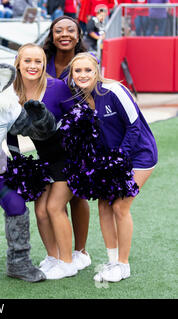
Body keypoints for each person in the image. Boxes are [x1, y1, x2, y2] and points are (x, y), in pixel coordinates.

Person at [67, 53, 158, 282]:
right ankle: (112, 261)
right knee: (104, 206)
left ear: (97, 70)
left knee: (119, 206)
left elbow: (134, 127)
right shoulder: (78, 99)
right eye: (78, 71)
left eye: (88, 70)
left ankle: (123, 265)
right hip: (108, 160)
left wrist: (119, 159)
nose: (83, 75)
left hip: (139, 154)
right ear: (72, 74)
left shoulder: (114, 90)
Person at [11, 43, 87, 279]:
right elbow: (9, 131)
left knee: (54, 207)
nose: (33, 66)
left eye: (38, 62)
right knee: (41, 210)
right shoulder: (12, 92)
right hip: (45, 159)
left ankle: (68, 262)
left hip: (70, 157)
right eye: (28, 61)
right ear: (18, 64)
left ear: (44, 64)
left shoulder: (57, 88)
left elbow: (82, 119)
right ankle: (53, 257)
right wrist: (19, 162)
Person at [40, 15, 92, 269]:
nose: (64, 34)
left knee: (76, 195)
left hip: (77, 140)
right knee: (53, 200)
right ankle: (56, 254)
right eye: (58, 30)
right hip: (49, 143)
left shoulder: (85, 63)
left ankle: (80, 252)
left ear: (78, 35)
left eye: (70, 30)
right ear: (52, 35)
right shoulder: (42, 62)